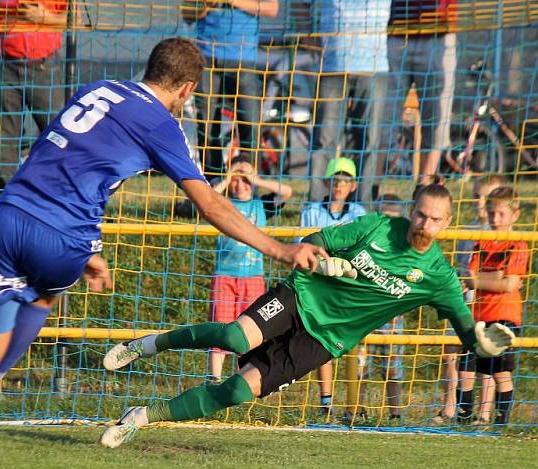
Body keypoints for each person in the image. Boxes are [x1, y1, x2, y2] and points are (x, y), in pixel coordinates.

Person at [0, 37, 327, 469]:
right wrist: (281, 250)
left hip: (5, 219)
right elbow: (211, 205)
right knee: (41, 298)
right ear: (186, 88)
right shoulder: (162, 122)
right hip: (62, 239)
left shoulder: (98, 88)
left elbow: (62, 159)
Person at [100, 184, 517, 447]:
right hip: (300, 297)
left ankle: (141, 417)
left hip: (323, 341)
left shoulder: (439, 277)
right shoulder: (377, 227)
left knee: (237, 393)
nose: (425, 223)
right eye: (421, 213)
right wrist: (323, 259)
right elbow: (316, 239)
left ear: (447, 224)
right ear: (412, 210)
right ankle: (148, 344)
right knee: (232, 338)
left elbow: (466, 331)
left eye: (435, 219)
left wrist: (481, 342)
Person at [208, 154, 292, 382]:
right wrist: (228, 177)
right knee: (221, 326)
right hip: (225, 275)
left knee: (251, 329)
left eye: (245, 178)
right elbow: (207, 198)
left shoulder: (261, 204)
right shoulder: (223, 204)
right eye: (236, 178)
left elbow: (287, 192)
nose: (240, 183)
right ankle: (213, 379)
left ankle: (243, 378)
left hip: (252, 277)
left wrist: (256, 178)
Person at [433, 174, 507, 424]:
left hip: (487, 301)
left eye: (488, 197)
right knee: (452, 352)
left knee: (486, 353)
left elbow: (500, 273)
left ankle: (484, 413)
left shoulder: (502, 235)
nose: (481, 202)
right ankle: (451, 408)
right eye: (477, 196)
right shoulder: (468, 229)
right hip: (463, 295)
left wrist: (477, 280)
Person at [299, 157, 367, 415]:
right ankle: (326, 402)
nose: (339, 185)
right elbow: (302, 247)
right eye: (335, 180)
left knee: (356, 346)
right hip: (321, 283)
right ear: (329, 182)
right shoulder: (312, 212)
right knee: (322, 342)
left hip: (350, 285)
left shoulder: (359, 214)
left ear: (353, 185)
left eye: (345, 180)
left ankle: (355, 403)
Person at [181, 0, 279, 177]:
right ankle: (213, 182)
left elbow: (272, 9)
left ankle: (248, 183)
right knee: (207, 125)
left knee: (249, 124)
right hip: (206, 57)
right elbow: (187, 15)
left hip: (244, 58)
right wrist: (205, 5)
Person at [456, 187, 527, 425]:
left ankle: (501, 422)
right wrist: (493, 277)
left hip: (506, 316)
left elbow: (509, 284)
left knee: (499, 370)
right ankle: (464, 416)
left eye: (501, 214)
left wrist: (478, 280)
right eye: (491, 213)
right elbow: (470, 274)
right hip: (479, 314)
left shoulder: (518, 245)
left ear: (514, 215)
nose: (495, 219)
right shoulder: (482, 241)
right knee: (466, 363)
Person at [309, 0, 391, 204]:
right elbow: (302, 6)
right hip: (332, 65)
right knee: (324, 139)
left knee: (369, 139)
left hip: (374, 65)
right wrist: (311, 38)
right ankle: (317, 205)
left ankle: (362, 206)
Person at [0, 0, 69, 185]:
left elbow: (74, 19)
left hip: (44, 65)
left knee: (59, 135)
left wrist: (45, 17)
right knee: (3, 141)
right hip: (3, 64)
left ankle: (53, 195)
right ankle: (11, 201)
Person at [386, 0, 457, 183]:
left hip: (438, 33)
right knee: (384, 120)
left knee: (435, 121)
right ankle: (372, 190)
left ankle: (424, 187)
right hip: (397, 31)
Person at [357, 194, 406, 422]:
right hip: (366, 313)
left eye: (395, 219)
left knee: (392, 367)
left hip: (392, 314)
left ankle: (395, 412)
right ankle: (357, 408)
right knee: (361, 363)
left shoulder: (404, 249)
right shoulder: (367, 243)